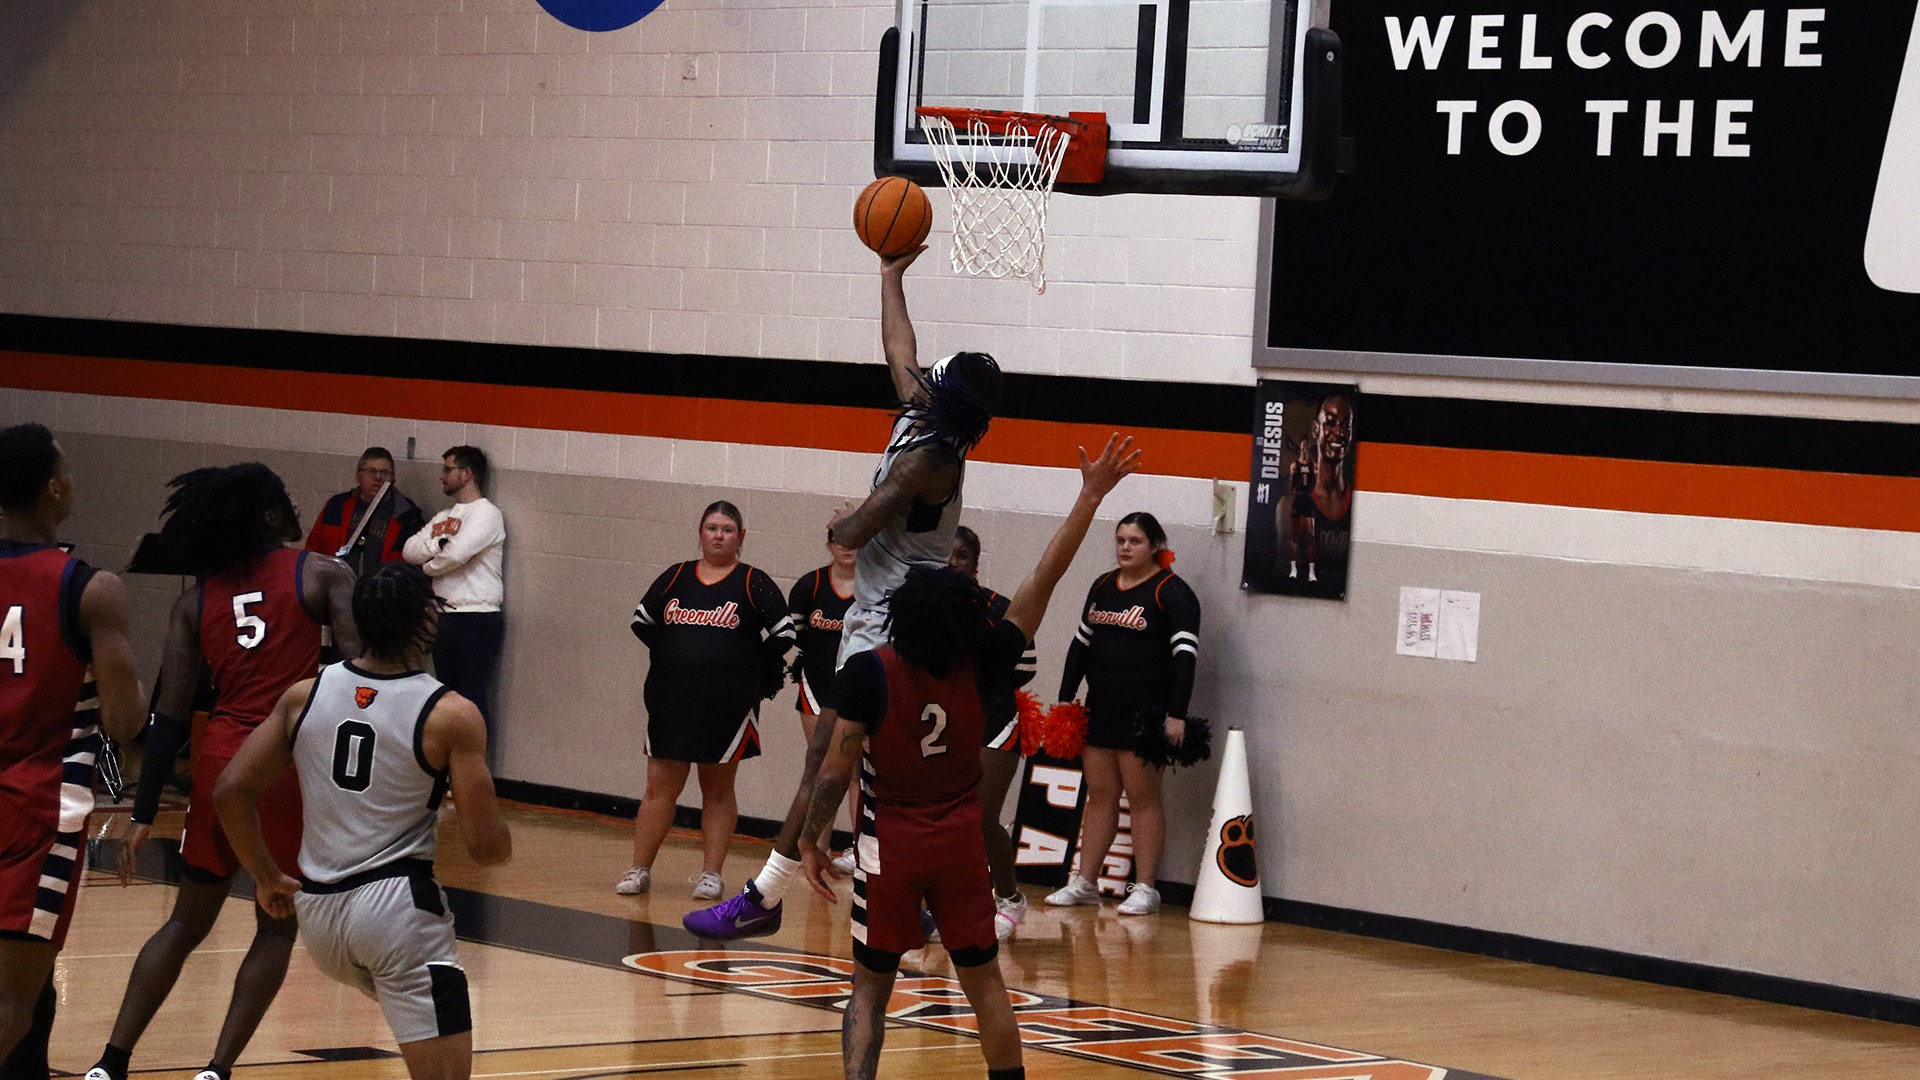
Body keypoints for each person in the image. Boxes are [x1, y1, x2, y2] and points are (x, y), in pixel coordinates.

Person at [796, 434, 1141, 1080]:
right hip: (958, 845)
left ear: (898, 615)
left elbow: (834, 773)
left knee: (870, 989)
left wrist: (811, 841)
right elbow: (1044, 578)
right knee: (984, 986)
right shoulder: (985, 663)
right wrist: (1089, 498)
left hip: (890, 846)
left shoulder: (870, 672)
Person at [686, 245, 1001, 939]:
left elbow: (857, 528)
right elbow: (899, 345)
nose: (921, 374)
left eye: (933, 376)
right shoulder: (928, 416)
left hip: (894, 622)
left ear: (944, 394)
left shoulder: (929, 457)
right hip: (887, 614)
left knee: (831, 755)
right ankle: (921, 900)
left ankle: (766, 898)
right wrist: (889, 276)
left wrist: (840, 520)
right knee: (875, 768)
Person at [87, 463, 360, 1080]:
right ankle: (216, 1070)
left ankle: (111, 1062)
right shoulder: (322, 573)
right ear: (268, 514)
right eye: (285, 501)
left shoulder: (194, 600)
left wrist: (144, 811)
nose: (295, 508)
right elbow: (360, 676)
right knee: (274, 926)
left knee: (185, 921)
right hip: (286, 763)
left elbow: (170, 716)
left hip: (219, 763)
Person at [212, 563, 511, 1080]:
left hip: (319, 914)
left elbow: (230, 791)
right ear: (427, 618)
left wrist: (264, 877)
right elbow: (487, 850)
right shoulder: (449, 713)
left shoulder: (304, 694)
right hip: (396, 911)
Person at [0, 424, 143, 1078]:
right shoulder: (89, 587)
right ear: (55, 487)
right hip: (38, 815)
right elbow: (123, 719)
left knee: (33, 998)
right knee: (15, 997)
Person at [619, 501, 794, 899]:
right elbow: (641, 622)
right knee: (659, 789)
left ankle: (711, 874)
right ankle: (639, 868)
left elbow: (784, 633)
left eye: (728, 529)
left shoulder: (754, 582)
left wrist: (749, 666)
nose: (719, 535)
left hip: (729, 707)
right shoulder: (676, 576)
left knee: (716, 789)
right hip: (670, 701)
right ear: (700, 533)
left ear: (741, 537)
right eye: (712, 527)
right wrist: (675, 655)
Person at [1044, 510, 1201, 916]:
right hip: (1101, 709)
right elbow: (1081, 645)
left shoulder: (1173, 592)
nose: (1126, 548)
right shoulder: (1102, 586)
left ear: (1155, 546)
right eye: (1120, 540)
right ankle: (1085, 881)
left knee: (1143, 798)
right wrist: (1065, 698)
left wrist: (1177, 713)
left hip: (1145, 714)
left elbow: (1185, 657)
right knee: (1099, 797)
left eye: (1135, 541)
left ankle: (1147, 887)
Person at [947, 526, 1037, 940]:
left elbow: (1026, 666)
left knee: (981, 816)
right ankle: (951, 902)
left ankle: (1009, 897)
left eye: (961, 555)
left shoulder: (1000, 607)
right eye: (946, 554)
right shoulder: (924, 605)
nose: (953, 562)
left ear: (975, 563)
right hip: (944, 721)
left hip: (995, 720)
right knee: (943, 819)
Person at [402, 447, 505, 736]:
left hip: (476, 617)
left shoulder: (487, 514)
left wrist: (426, 568)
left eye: (448, 469)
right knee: (445, 697)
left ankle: (472, 773)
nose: (441, 475)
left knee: (471, 699)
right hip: (442, 615)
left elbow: (457, 556)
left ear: (467, 474)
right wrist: (438, 546)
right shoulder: (444, 515)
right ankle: (446, 769)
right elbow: (410, 549)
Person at [788, 531, 857, 870]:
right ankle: (817, 846)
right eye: (840, 540)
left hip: (859, 691)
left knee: (857, 772)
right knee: (820, 768)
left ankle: (862, 850)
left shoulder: (876, 586)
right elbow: (797, 636)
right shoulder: (808, 586)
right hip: (816, 689)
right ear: (829, 544)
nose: (847, 547)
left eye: (856, 539)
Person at [305, 447, 426, 579]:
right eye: (371, 471)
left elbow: (416, 564)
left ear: (393, 477)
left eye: (385, 473)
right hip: (337, 588)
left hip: (382, 593)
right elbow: (313, 551)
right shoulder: (336, 506)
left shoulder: (407, 516)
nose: (378, 478)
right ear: (358, 475)